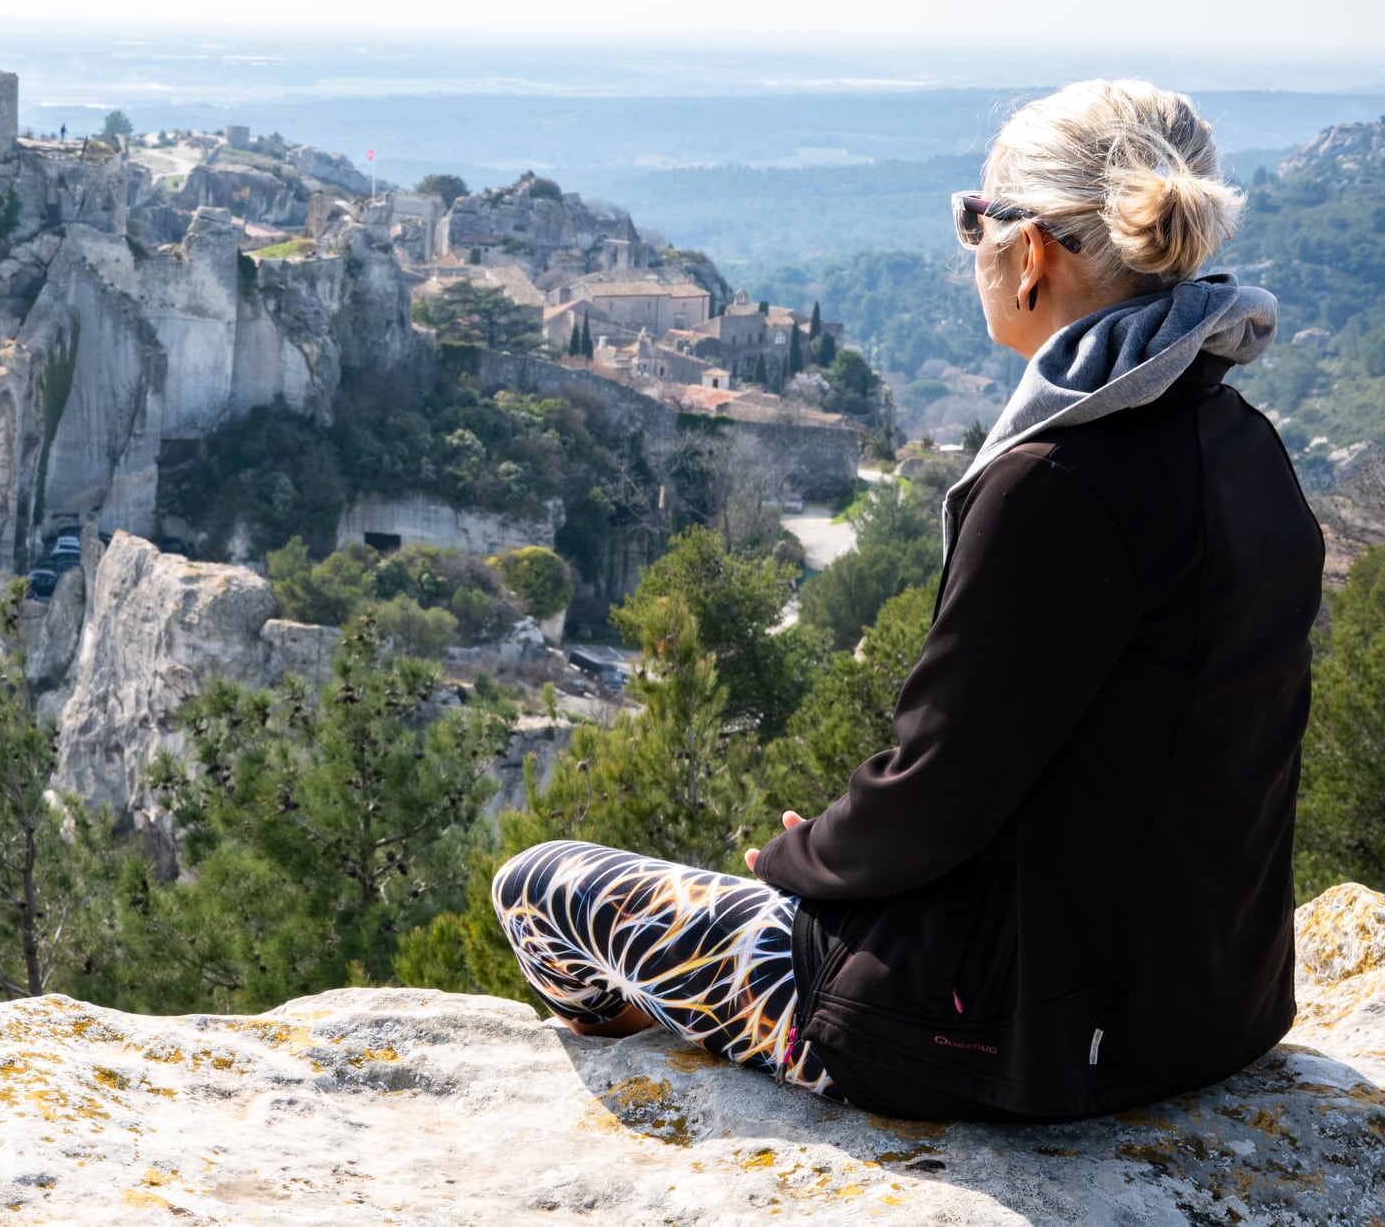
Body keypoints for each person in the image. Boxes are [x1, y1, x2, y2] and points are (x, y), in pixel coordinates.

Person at [492, 79, 1323, 1121]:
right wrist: (854, 852)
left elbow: (937, 783)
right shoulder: (1244, 446)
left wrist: (800, 862)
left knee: (537, 887)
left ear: (1031, 255)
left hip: (1019, 1038)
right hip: (1213, 1012)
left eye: (972, 218)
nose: (967, 243)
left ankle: (662, 1080)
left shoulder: (1056, 486)